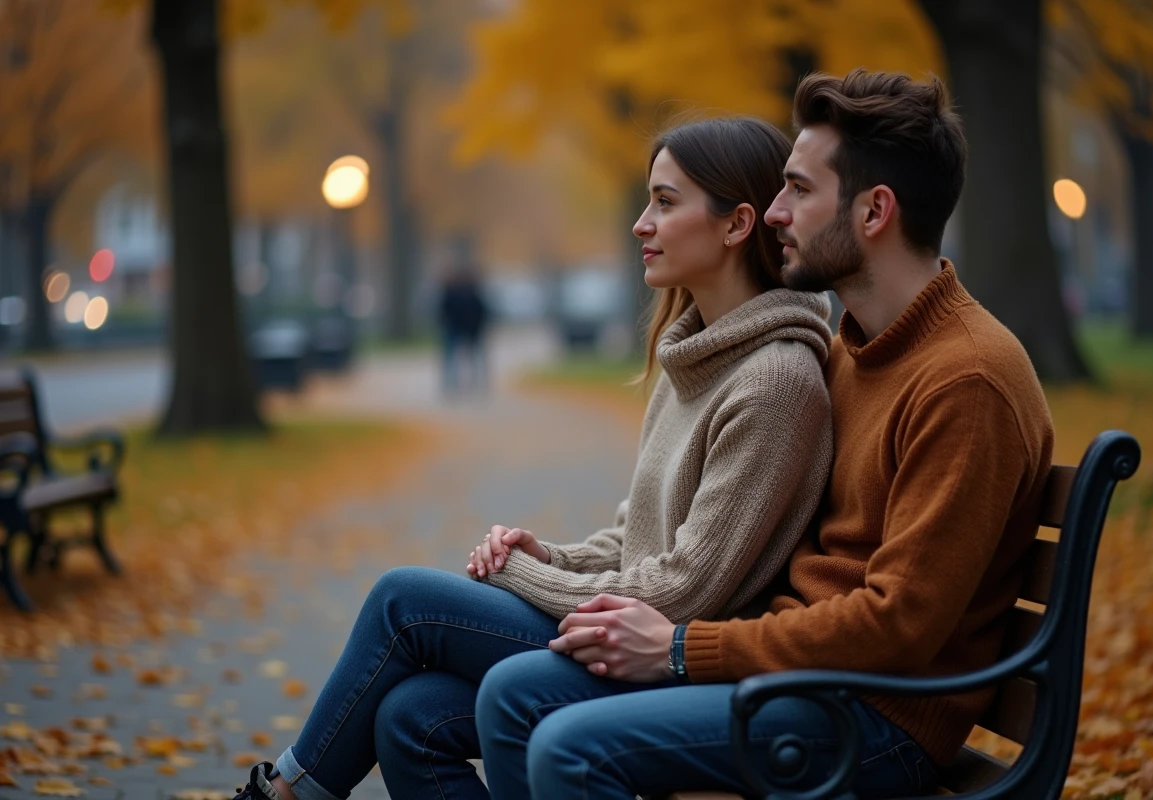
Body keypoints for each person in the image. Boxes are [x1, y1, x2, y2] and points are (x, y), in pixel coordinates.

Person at [474, 69, 1056, 800]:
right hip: (802, 680)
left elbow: (898, 623)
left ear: (875, 211)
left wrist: (684, 649)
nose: (775, 214)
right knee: (489, 699)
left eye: (799, 191)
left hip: (877, 719)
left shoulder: (966, 379)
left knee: (566, 745)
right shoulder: (854, 351)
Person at [229, 116, 836, 800]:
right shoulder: (693, 357)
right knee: (410, 717)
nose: (641, 223)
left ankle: (283, 793)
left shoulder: (775, 383)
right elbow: (636, 535)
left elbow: (685, 590)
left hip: (680, 658)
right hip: (627, 623)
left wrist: (519, 575)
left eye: (665, 203)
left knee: (403, 601)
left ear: (736, 224)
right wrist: (551, 556)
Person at [438, 259, 491, 396]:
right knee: (452, 358)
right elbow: (444, 312)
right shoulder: (451, 292)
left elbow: (482, 312)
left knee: (472, 358)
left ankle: (477, 383)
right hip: (455, 328)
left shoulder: (474, 293)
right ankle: (452, 383)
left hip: (470, 329)